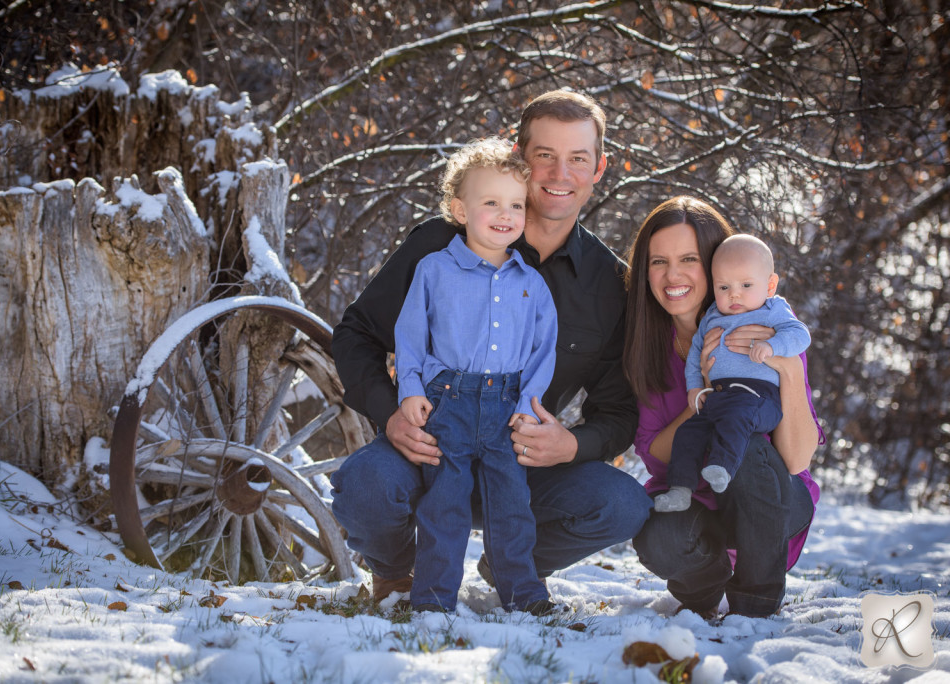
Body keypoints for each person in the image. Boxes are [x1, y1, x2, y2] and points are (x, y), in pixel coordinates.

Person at [330, 89, 651, 607]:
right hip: (431, 450)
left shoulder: (607, 281)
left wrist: (570, 445)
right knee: (365, 483)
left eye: (578, 159)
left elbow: (618, 411)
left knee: (621, 504)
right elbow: (356, 334)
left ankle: (514, 565)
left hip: (521, 464)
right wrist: (391, 416)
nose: (558, 174)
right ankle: (396, 574)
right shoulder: (441, 245)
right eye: (544, 155)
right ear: (519, 156)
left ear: (600, 168)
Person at [623, 196, 824, 618]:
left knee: (748, 446)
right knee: (659, 537)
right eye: (658, 261)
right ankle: (707, 586)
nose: (672, 275)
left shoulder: (765, 329)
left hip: (770, 501)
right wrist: (707, 389)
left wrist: (787, 370)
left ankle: (755, 603)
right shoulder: (648, 345)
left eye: (688, 259)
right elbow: (654, 453)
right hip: (695, 499)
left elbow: (796, 459)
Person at [394, 137, 556, 614]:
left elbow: (542, 351)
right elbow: (410, 336)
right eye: (491, 203)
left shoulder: (531, 282)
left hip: (508, 406)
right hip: (449, 401)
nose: (505, 214)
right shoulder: (434, 270)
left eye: (515, 204)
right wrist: (410, 390)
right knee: (443, 504)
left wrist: (529, 403)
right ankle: (433, 599)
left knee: (512, 508)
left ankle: (525, 597)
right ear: (459, 209)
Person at [654, 234, 811, 512]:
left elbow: (800, 335)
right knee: (689, 431)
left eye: (746, 285)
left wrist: (772, 345)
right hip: (719, 396)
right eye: (724, 286)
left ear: (770, 285)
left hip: (759, 397)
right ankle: (680, 490)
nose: (734, 294)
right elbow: (695, 356)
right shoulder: (713, 316)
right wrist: (694, 387)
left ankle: (721, 467)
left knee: (737, 417)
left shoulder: (772, 309)